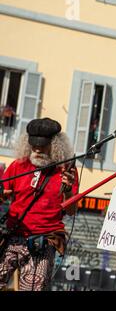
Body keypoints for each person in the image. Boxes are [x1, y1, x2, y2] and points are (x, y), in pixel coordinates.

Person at [0, 118, 78, 291]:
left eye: (42, 145)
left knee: (33, 288)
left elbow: (72, 211)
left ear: (55, 144)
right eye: (33, 144)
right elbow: (3, 195)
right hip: (13, 236)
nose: (37, 149)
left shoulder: (66, 170)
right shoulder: (18, 165)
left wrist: (68, 189)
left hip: (43, 240)